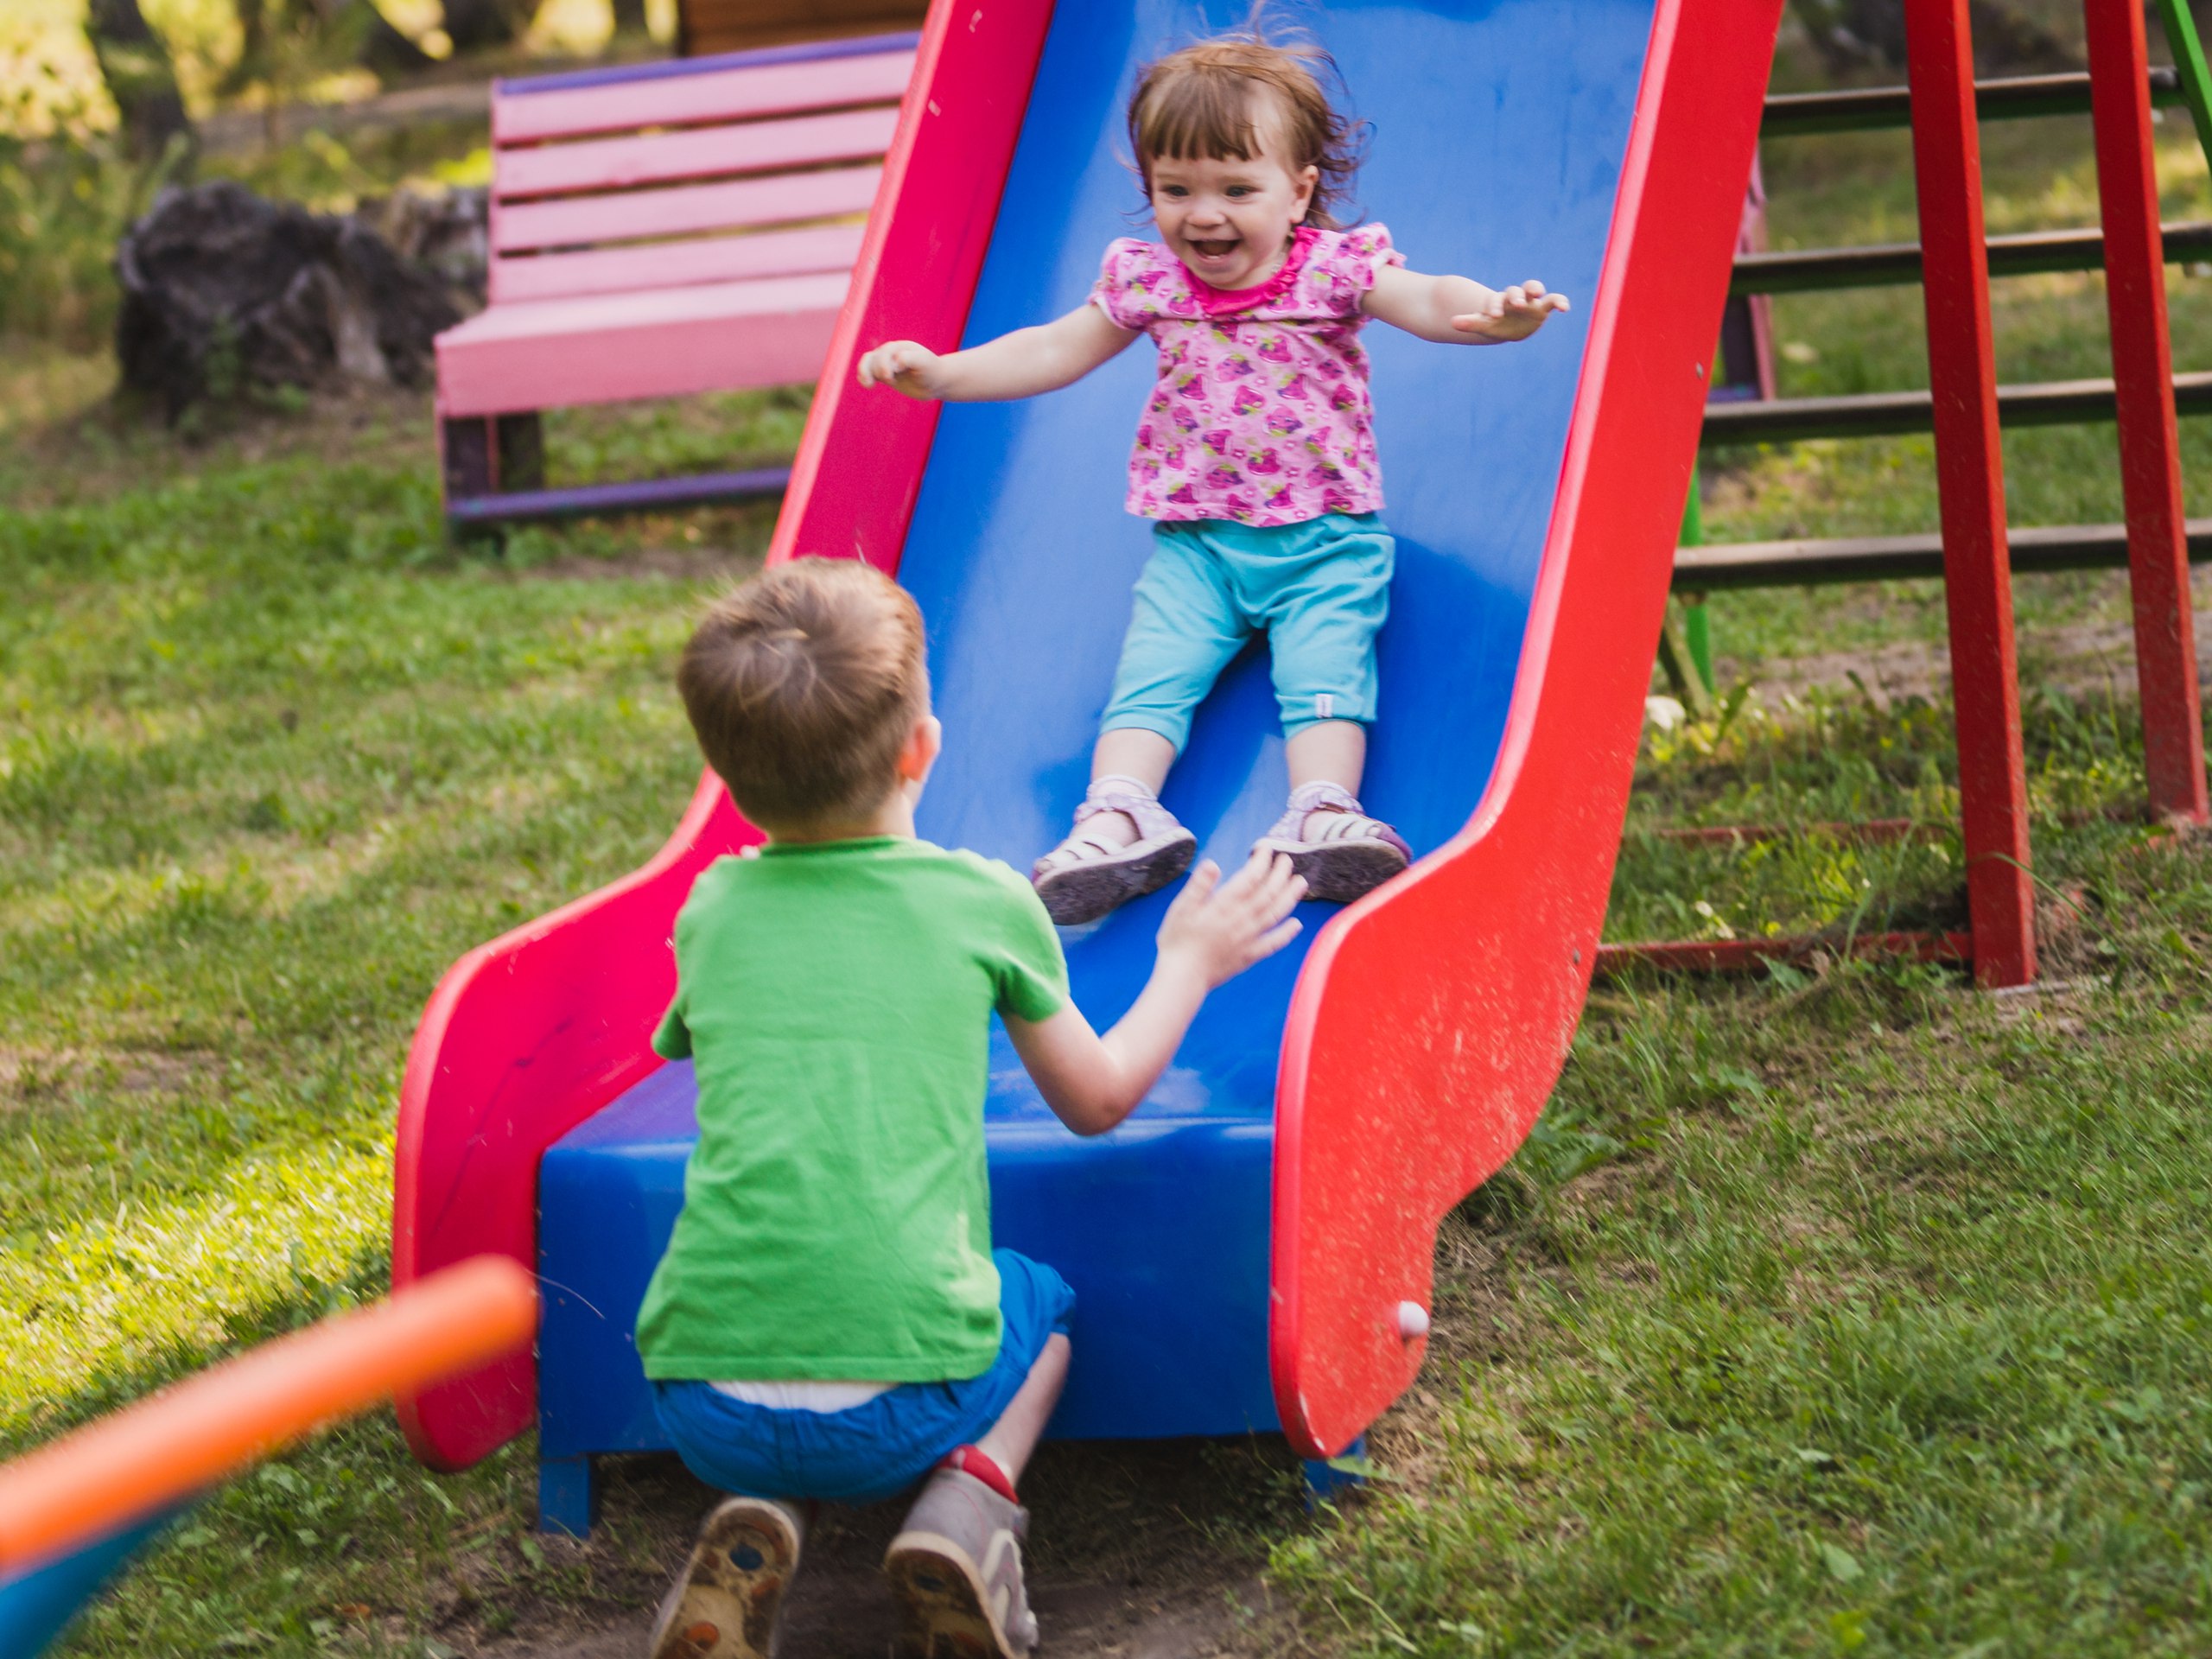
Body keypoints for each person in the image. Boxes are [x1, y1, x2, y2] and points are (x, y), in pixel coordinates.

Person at [639, 558, 1306, 1659]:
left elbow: (701, 1046)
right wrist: (1188, 961)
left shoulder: (712, 910)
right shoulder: (982, 902)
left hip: (699, 1400)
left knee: (790, 1354)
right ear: (921, 748)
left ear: (725, 773)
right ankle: (967, 1507)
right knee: (1041, 1307)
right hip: (905, 1403)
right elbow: (1097, 1100)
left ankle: (764, 1513)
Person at [856, 31, 1570, 926]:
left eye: (1236, 190)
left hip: (1325, 541)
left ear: (1298, 191)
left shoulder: (1332, 269)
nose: (1203, 215)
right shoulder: (1150, 281)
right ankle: (1118, 816)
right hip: (1197, 548)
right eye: (1176, 190)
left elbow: (1425, 295)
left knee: (1325, 672)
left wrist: (1491, 312)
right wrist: (944, 374)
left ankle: (1322, 813)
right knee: (1151, 677)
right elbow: (1052, 349)